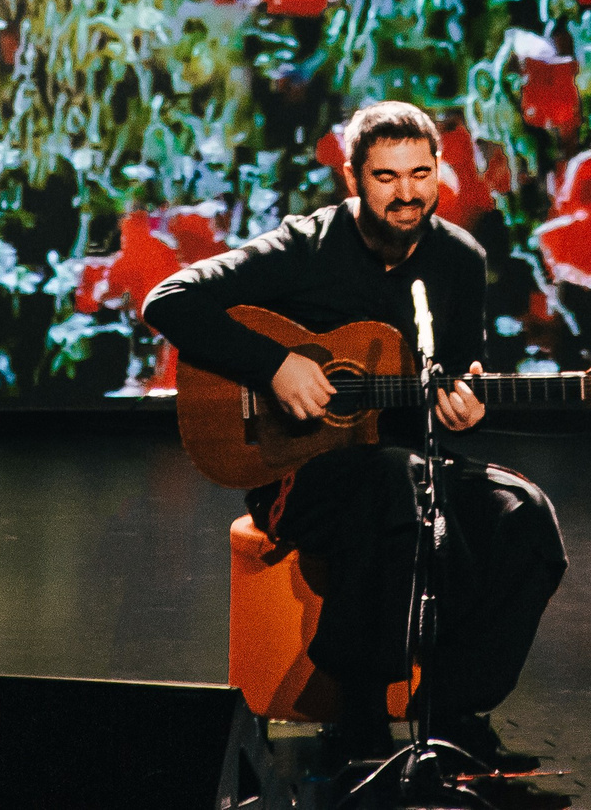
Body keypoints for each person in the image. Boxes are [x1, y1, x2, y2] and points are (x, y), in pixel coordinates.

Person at [142, 100, 567, 772]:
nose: (407, 192)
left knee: (523, 512)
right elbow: (167, 299)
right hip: (297, 471)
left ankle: (456, 706)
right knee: (396, 478)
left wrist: (461, 410)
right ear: (353, 178)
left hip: (407, 468)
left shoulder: (459, 260)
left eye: (421, 173)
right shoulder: (303, 248)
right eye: (386, 175)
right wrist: (274, 364)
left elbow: (453, 381)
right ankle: (360, 708)